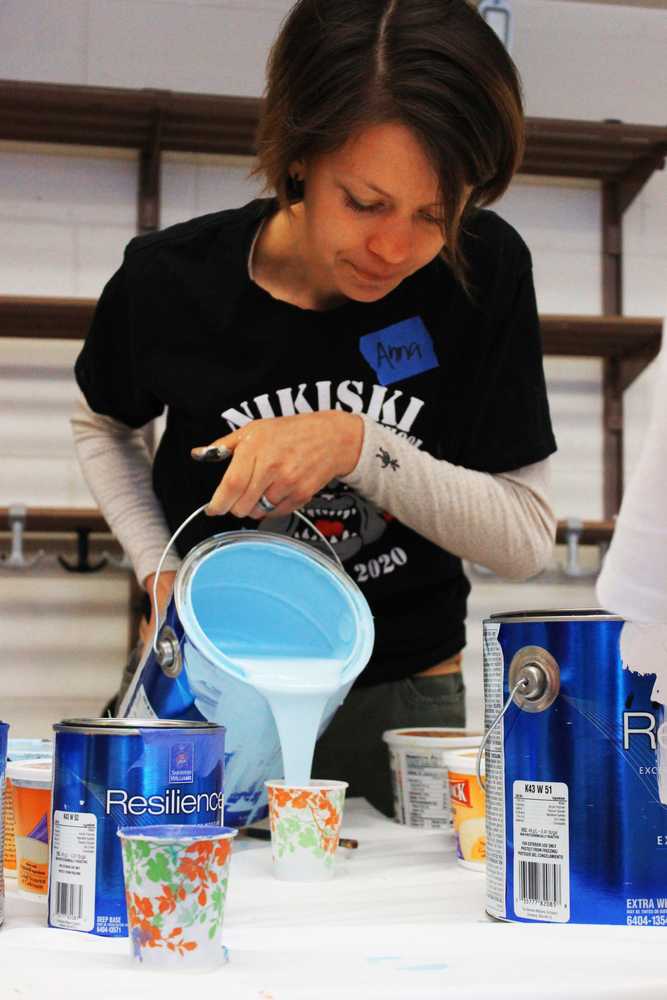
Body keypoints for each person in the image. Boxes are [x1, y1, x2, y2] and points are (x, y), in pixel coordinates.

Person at [71, 0, 557, 817]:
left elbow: (524, 539)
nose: (394, 249)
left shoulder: (483, 271)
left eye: (435, 214)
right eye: (364, 202)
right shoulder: (170, 280)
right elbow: (102, 423)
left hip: (399, 699)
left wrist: (356, 446)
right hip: (204, 684)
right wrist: (159, 570)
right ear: (297, 156)